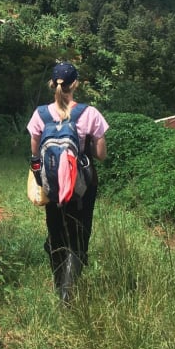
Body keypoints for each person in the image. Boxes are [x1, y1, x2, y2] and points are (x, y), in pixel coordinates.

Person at [26, 61, 109, 304]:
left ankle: (58, 283)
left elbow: (34, 155)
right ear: (76, 84)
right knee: (79, 236)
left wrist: (43, 180)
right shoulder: (88, 113)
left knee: (56, 232)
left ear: (52, 84)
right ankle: (67, 293)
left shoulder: (40, 114)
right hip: (82, 187)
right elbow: (101, 155)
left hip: (51, 185)